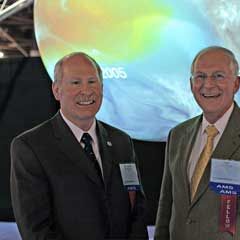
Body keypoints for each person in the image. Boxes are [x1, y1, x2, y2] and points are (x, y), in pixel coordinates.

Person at [155, 46, 240, 239]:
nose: (208, 85)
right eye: (200, 77)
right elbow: (166, 213)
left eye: (218, 76)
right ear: (191, 84)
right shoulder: (178, 136)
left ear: (236, 84)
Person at [10, 52, 148, 240]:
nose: (86, 90)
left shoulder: (121, 141)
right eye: (76, 83)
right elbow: (36, 229)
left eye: (92, 81)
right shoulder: (30, 147)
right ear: (56, 90)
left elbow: (136, 209)